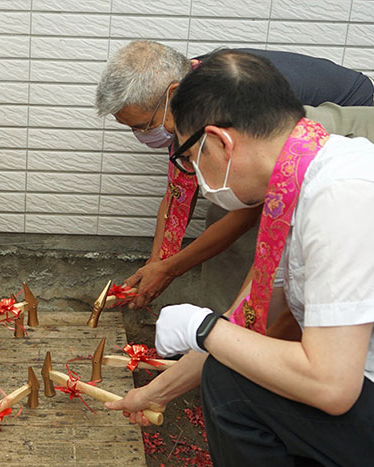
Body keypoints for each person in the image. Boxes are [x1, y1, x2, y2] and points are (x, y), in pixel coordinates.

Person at [106, 50, 374, 466]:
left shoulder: (341, 195)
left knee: (230, 383)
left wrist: (203, 328)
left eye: (192, 160)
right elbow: (264, 322)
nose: (195, 177)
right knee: (231, 368)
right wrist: (157, 391)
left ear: (221, 142)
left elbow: (331, 388)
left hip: (353, 385)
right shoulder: (297, 182)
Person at [94, 40, 374, 312]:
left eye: (144, 126)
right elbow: (179, 189)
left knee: (238, 218)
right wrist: (156, 266)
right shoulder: (184, 91)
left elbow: (247, 209)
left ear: (173, 94)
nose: (142, 136)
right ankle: (232, 328)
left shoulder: (227, 98)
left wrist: (170, 270)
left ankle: (231, 329)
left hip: (349, 115)